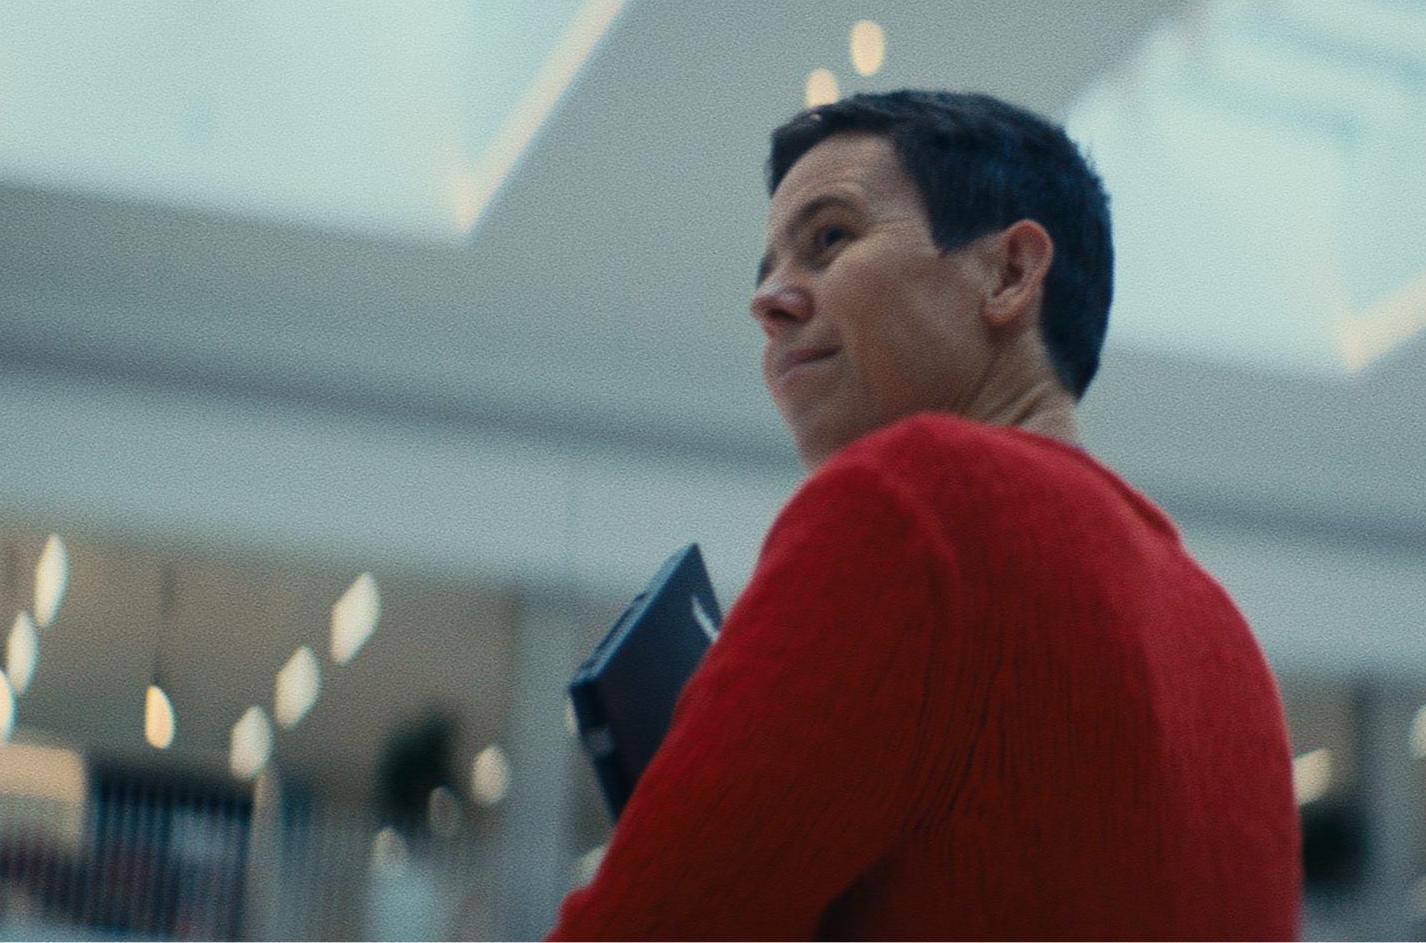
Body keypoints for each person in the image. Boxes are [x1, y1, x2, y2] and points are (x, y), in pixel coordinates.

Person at [548, 91, 1300, 940]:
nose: (769, 302)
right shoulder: (1227, 642)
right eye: (765, 274)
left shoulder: (913, 503)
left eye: (829, 238)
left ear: (1011, 274)